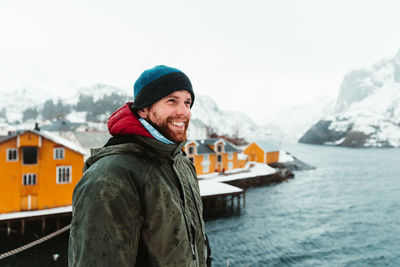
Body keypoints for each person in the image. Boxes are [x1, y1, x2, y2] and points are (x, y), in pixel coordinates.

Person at [68, 65, 211, 266]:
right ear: (143, 109)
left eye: (187, 103)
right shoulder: (110, 176)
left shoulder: (181, 164)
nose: (183, 111)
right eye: (171, 101)